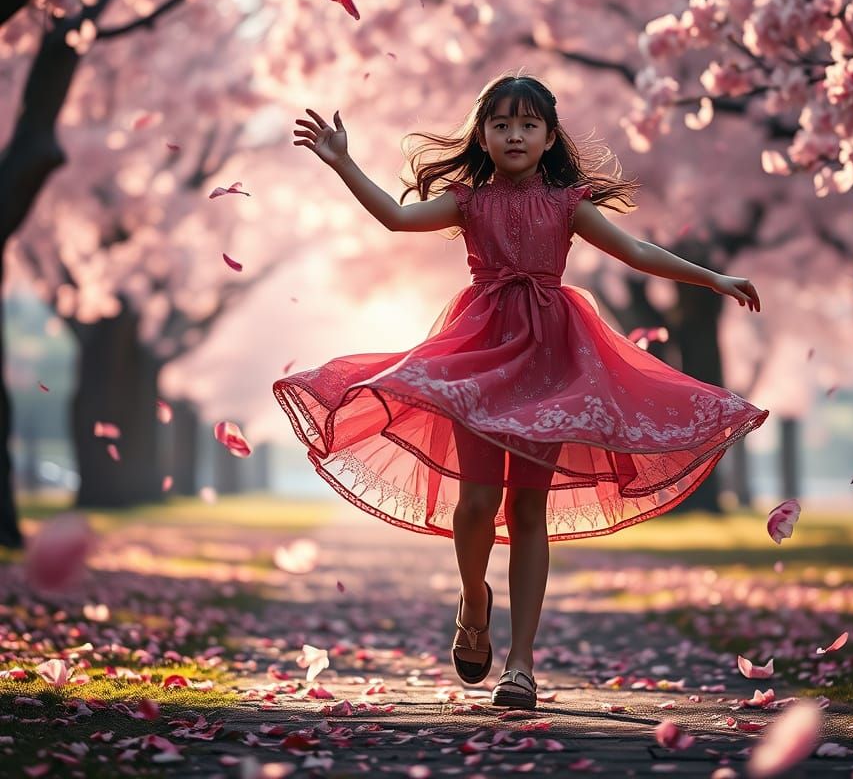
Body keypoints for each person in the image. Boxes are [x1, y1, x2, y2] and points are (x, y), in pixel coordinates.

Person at [277, 71, 769, 710]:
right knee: (478, 505)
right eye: (501, 123)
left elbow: (637, 250)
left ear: (547, 137)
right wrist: (344, 162)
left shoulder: (568, 203)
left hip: (553, 364)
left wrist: (712, 278)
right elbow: (397, 218)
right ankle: (474, 600)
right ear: (481, 135)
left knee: (528, 511)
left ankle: (522, 664)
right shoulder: (467, 201)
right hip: (479, 357)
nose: (514, 134)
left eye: (528, 124)